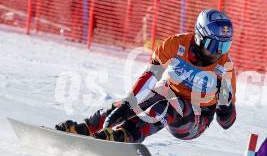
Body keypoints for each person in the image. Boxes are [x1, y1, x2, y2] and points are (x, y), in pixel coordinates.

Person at [55, 9, 237, 142]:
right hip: (168, 91)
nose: (217, 53)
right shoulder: (176, 44)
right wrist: (128, 104)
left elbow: (226, 123)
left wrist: (225, 105)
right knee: (140, 99)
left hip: (196, 118)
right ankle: (86, 128)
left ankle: (125, 136)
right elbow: (150, 76)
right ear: (198, 37)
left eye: (224, 46)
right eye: (213, 46)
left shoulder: (225, 68)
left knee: (168, 105)